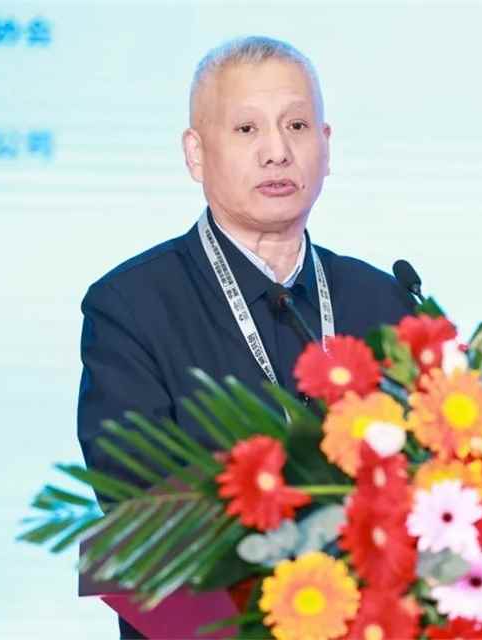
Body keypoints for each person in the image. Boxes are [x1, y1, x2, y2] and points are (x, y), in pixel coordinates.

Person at [75, 36, 415, 639]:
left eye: (297, 126)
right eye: (246, 129)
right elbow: (139, 525)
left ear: (327, 146)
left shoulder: (382, 301)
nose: (277, 152)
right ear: (196, 153)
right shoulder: (131, 307)